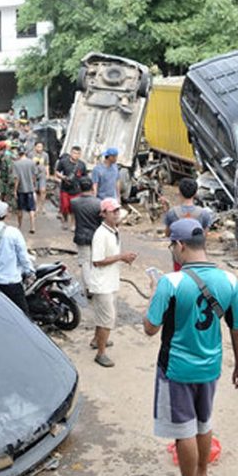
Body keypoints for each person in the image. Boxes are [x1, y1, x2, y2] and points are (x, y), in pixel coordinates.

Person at [144, 218, 238, 476]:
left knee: (183, 432)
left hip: (177, 370)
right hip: (210, 367)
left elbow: (150, 328)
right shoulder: (229, 280)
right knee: (204, 423)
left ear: (179, 245)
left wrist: (153, 295)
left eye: (171, 246)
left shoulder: (170, 282)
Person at [89, 198, 138, 367]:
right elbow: (97, 260)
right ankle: (100, 353)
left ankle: (97, 340)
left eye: (117, 210)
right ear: (103, 214)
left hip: (109, 281)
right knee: (107, 319)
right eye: (113, 211)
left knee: (103, 316)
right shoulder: (100, 234)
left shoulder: (113, 230)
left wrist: (123, 258)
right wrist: (121, 257)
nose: (117, 214)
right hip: (102, 283)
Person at [164, 178, 215, 271]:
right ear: (195, 193)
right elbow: (204, 236)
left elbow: (168, 234)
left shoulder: (172, 213)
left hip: (179, 257)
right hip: (198, 257)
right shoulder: (204, 214)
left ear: (179, 192)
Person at [70, 177, 100, 296]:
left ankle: (88, 287)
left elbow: (72, 219)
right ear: (92, 187)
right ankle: (95, 285)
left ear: (79, 187)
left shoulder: (74, 202)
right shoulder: (98, 203)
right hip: (96, 236)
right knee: (95, 261)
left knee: (84, 263)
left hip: (81, 235)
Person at [55, 146, 89, 230]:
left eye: (78, 153)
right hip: (65, 189)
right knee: (65, 207)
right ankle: (65, 221)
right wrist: (63, 177)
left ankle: (73, 224)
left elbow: (85, 177)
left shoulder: (82, 165)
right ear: (71, 153)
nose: (76, 155)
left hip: (77, 189)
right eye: (74, 153)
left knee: (74, 208)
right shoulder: (63, 162)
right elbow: (56, 171)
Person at [12, 149, 39, 234]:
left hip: (21, 189)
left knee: (20, 209)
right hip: (30, 189)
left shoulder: (16, 164)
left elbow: (17, 178)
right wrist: (33, 185)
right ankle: (33, 227)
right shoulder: (31, 162)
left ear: (18, 154)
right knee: (31, 208)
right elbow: (34, 176)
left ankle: (20, 226)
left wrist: (15, 190)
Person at [32, 141, 50, 207]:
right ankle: (35, 205)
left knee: (43, 190)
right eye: (38, 147)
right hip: (33, 174)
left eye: (41, 147)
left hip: (42, 174)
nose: (40, 148)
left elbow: (46, 165)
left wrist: (47, 174)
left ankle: (42, 205)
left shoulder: (45, 155)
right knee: (35, 190)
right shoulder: (31, 154)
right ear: (35, 147)